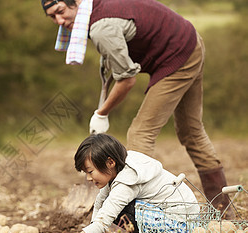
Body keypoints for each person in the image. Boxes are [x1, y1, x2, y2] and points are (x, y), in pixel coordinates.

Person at [40, 0, 235, 219]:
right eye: (52, 17)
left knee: (140, 133)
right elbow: (113, 70)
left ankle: (133, 217)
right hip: (189, 41)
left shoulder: (101, 27)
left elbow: (127, 80)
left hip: (178, 55)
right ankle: (223, 212)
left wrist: (101, 113)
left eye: (60, 11)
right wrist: (102, 109)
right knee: (191, 131)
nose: (59, 21)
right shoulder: (96, 8)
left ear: (75, 2)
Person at [31, 133, 200, 233]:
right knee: (112, 206)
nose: (89, 178)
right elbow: (99, 203)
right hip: (172, 219)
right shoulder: (120, 166)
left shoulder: (127, 182)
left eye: (90, 172)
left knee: (121, 212)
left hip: (181, 228)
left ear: (110, 162)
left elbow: (102, 222)